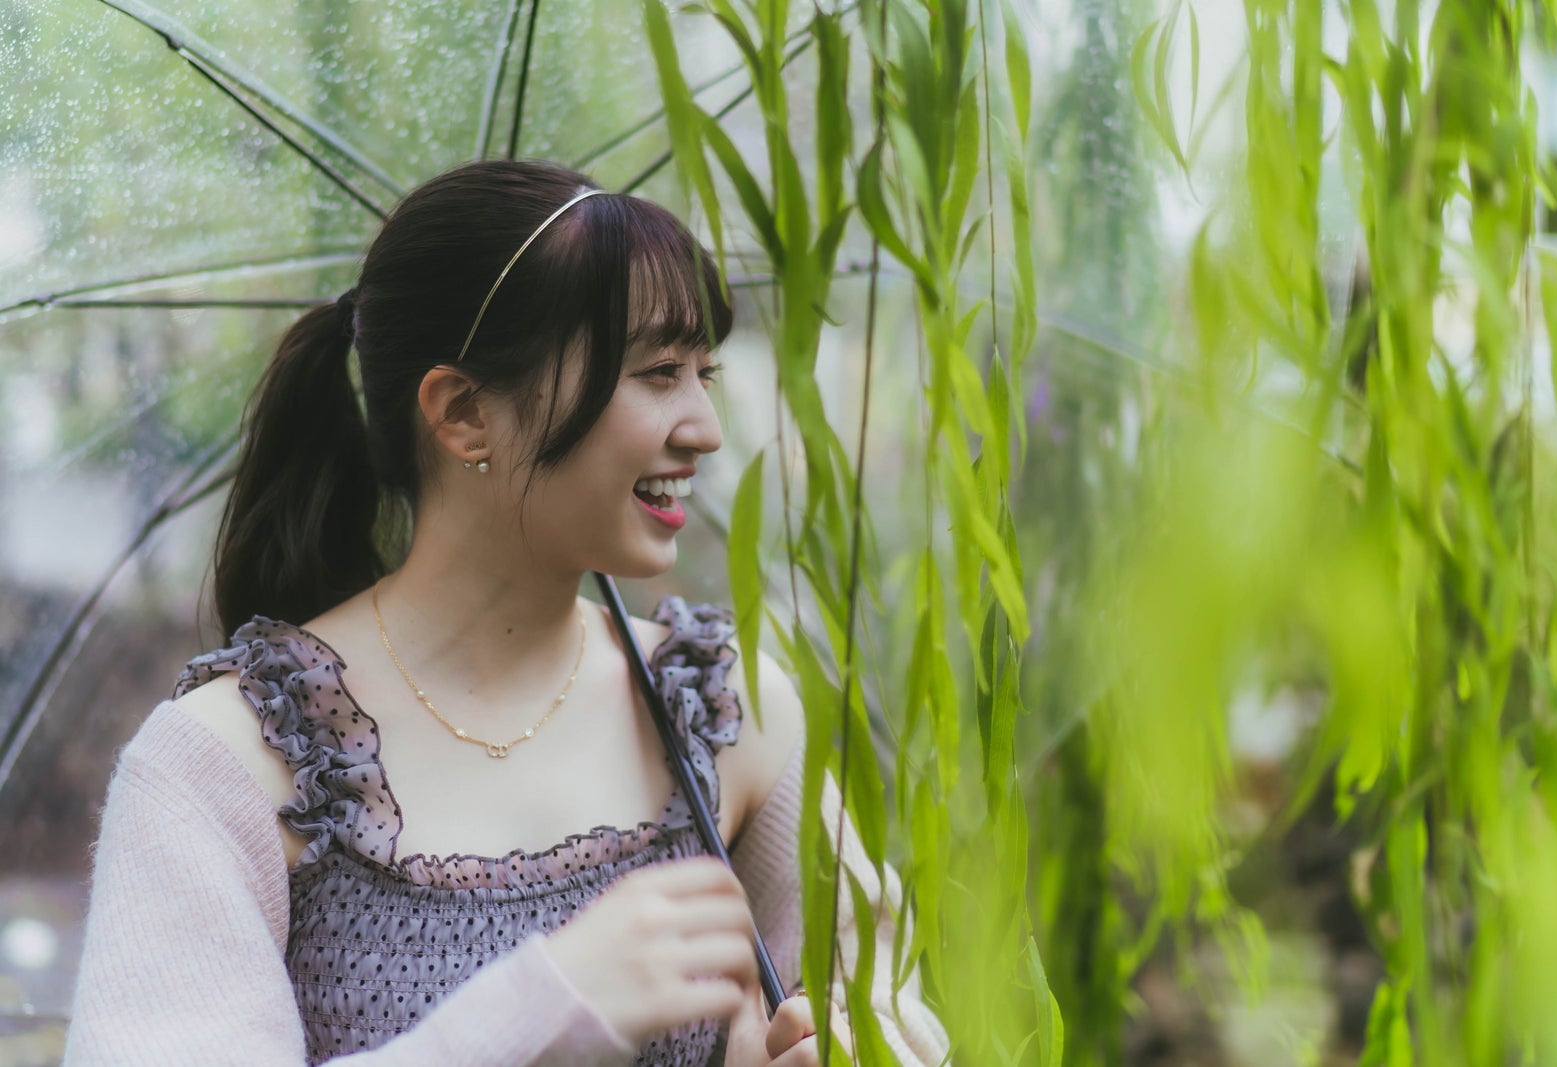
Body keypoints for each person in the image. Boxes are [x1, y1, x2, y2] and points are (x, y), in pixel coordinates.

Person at [63, 160, 947, 1066]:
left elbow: (881, 997)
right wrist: (549, 1005)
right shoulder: (224, 767)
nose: (704, 427)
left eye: (702, 372)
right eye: (656, 371)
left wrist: (861, 1040)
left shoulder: (726, 717)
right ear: (464, 413)